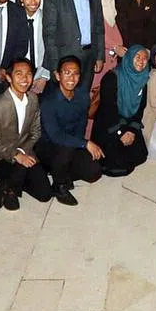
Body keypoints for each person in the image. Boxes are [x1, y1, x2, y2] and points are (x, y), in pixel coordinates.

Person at [0, 58, 54, 211]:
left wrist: (22, 152)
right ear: (9, 78)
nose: (25, 79)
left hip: (25, 152)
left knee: (45, 194)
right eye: (19, 74)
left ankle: (13, 186)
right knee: (19, 169)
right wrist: (16, 155)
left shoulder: (33, 99)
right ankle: (2, 192)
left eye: (29, 74)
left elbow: (36, 132)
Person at [36, 56, 103, 206]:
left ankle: (62, 172)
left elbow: (81, 126)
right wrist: (85, 143)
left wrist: (80, 145)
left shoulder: (82, 96)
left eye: (76, 73)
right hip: (48, 146)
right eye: (67, 73)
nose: (71, 78)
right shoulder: (48, 101)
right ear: (57, 75)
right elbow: (55, 135)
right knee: (65, 149)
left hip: (71, 144)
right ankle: (59, 186)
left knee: (94, 171)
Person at [42, 0, 105, 92]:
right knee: (63, 99)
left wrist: (100, 56)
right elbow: (49, 34)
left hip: (89, 56)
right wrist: (55, 66)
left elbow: (99, 27)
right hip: (64, 58)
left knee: (83, 97)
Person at [92, 46, 151, 176]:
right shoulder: (111, 77)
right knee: (115, 164)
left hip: (128, 121)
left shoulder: (143, 80)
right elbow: (108, 110)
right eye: (137, 57)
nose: (141, 62)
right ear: (129, 58)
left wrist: (132, 130)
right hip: (109, 124)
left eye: (144, 59)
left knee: (140, 155)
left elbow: (140, 109)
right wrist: (120, 132)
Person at [90, 0, 127, 91]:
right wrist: (115, 46)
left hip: (110, 58)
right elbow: (96, 30)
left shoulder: (111, 0)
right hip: (99, 58)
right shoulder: (93, 2)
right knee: (94, 94)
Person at [17, 0, 50, 96]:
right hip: (19, 76)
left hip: (43, 73)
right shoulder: (14, 19)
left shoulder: (48, 18)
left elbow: (52, 48)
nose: (33, 2)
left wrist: (44, 76)